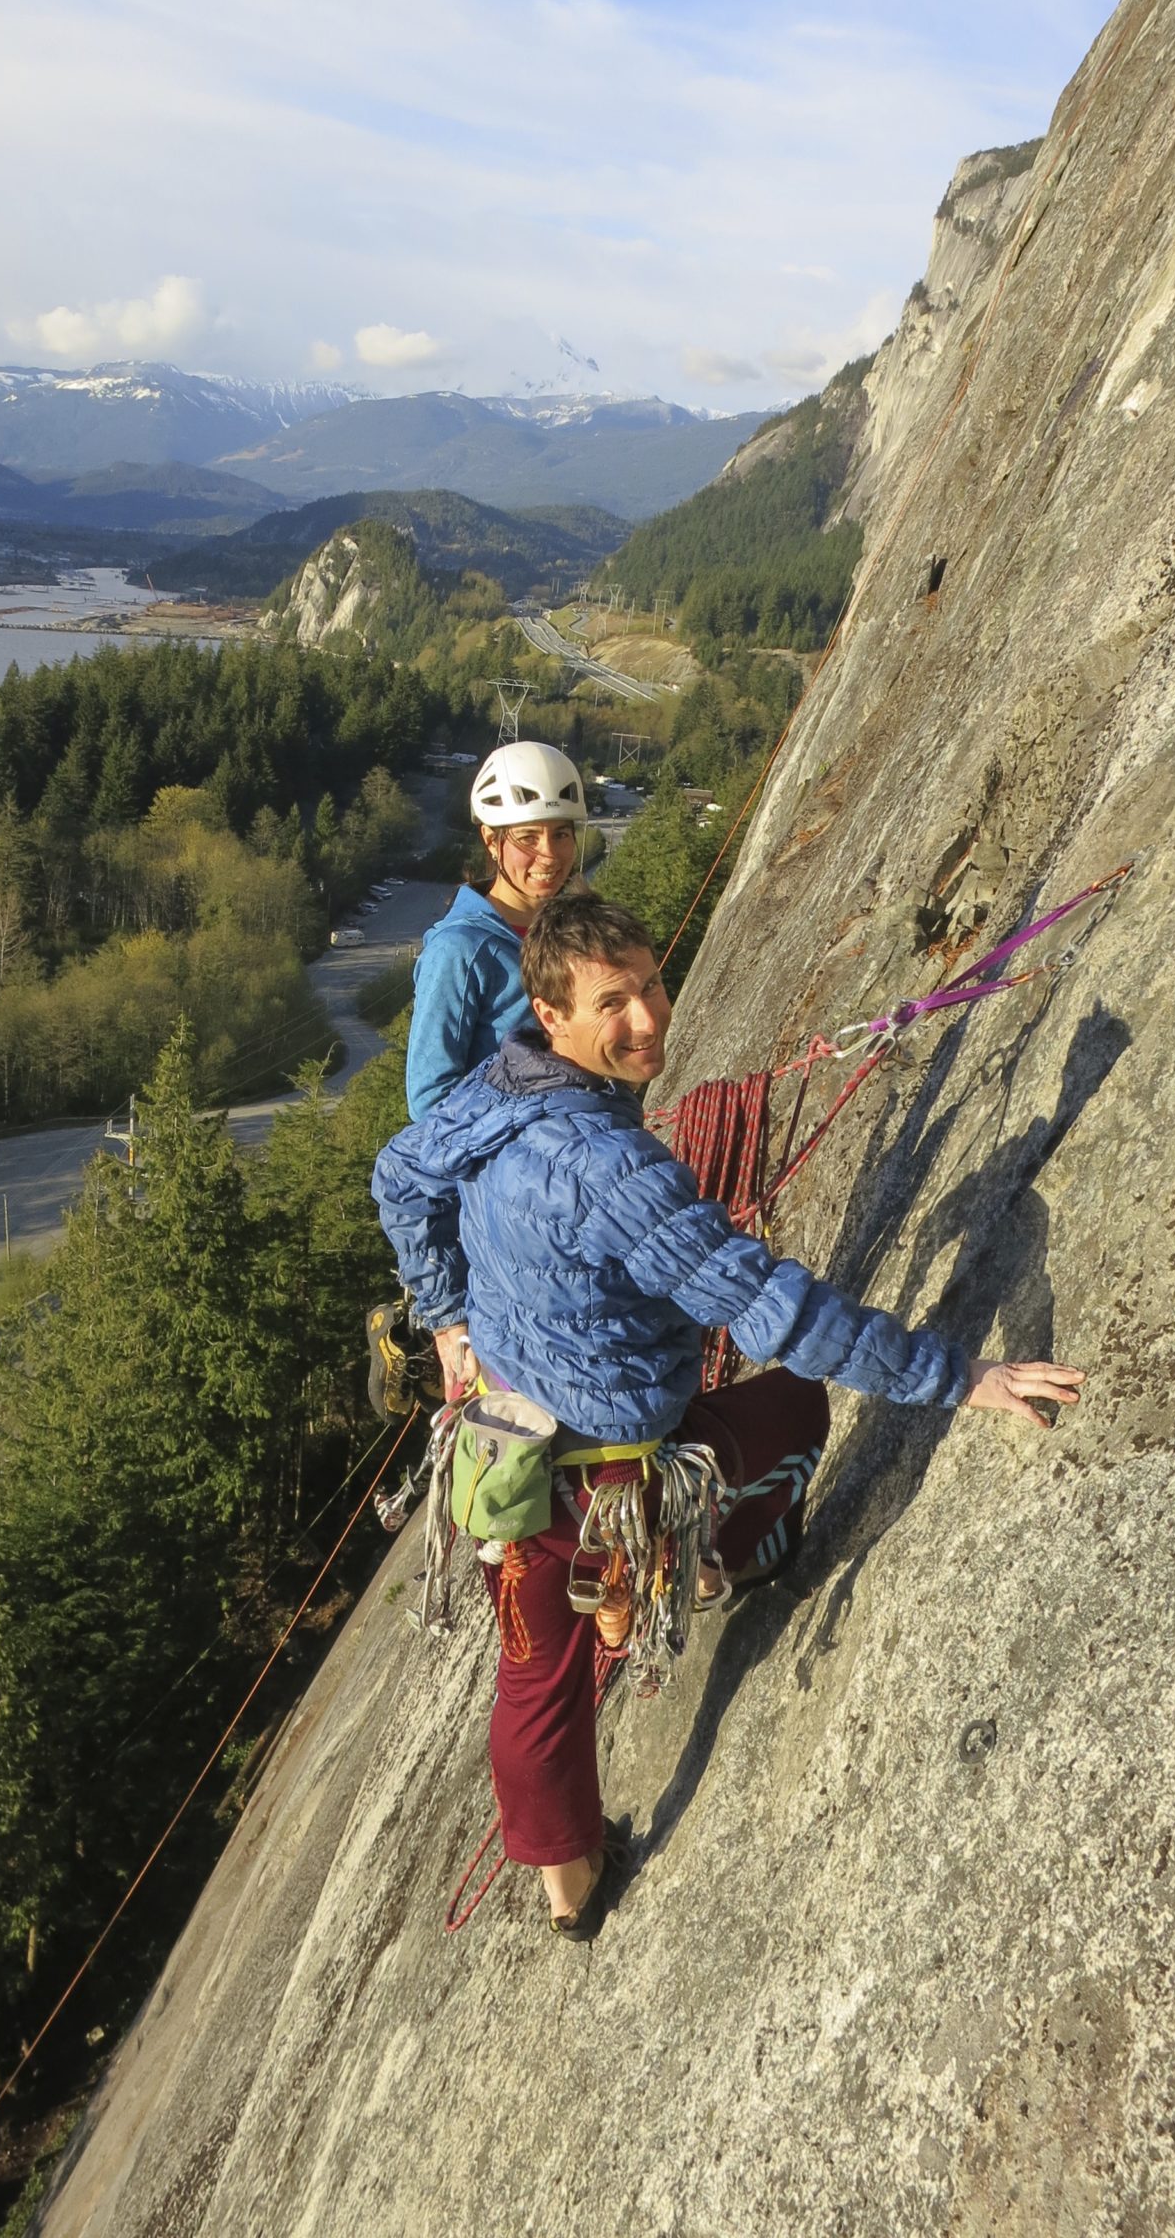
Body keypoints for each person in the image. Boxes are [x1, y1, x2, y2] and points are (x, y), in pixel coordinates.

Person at [372, 897, 1083, 1938]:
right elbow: (772, 1311)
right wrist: (956, 1378)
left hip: (505, 1453)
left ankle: (565, 1893)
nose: (646, 1018)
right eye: (611, 1002)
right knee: (793, 1405)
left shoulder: (491, 1092)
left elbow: (398, 1174)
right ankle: (728, 1557)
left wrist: (445, 1318)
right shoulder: (610, 1170)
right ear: (550, 1013)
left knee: (536, 1673)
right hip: (619, 1475)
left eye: (650, 983)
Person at [404, 739, 586, 1134]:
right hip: (508, 1170)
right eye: (528, 838)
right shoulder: (461, 951)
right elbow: (430, 1100)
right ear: (491, 840)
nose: (550, 855)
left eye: (561, 834)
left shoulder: (569, 934)